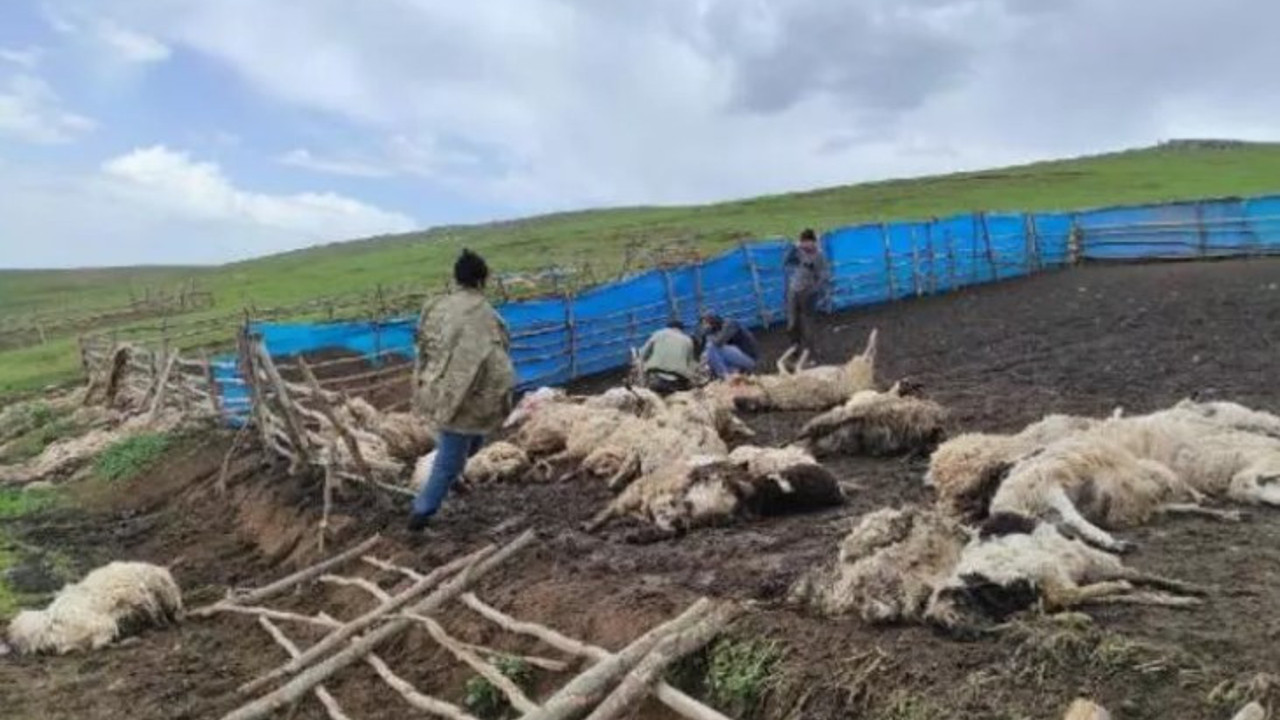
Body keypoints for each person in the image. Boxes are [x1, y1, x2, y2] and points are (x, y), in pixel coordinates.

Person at [408, 249, 515, 531]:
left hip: (436, 387)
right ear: (481, 281)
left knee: (474, 440)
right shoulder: (483, 314)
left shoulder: (436, 307)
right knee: (451, 455)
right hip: (465, 396)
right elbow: (496, 356)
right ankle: (420, 514)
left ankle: (452, 479)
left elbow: (422, 345)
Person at [782, 228, 831, 367]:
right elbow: (786, 261)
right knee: (792, 324)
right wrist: (793, 249)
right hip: (794, 291)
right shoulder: (799, 252)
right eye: (803, 242)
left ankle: (810, 355)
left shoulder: (819, 257)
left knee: (807, 325)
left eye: (807, 242)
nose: (805, 245)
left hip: (808, 293)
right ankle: (795, 351)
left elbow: (824, 275)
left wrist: (814, 290)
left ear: (813, 242)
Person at [638, 320, 698, 395]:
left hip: (655, 377)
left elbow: (642, 354)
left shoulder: (658, 334)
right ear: (681, 330)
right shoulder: (688, 340)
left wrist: (643, 380)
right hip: (676, 381)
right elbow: (691, 365)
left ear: (668, 327)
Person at [696, 311, 758, 380]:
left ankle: (725, 377)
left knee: (711, 346)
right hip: (737, 360)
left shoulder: (730, 324)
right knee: (710, 355)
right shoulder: (716, 329)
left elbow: (718, 342)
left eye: (707, 323)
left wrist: (707, 333)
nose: (706, 326)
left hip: (749, 359)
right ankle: (733, 374)